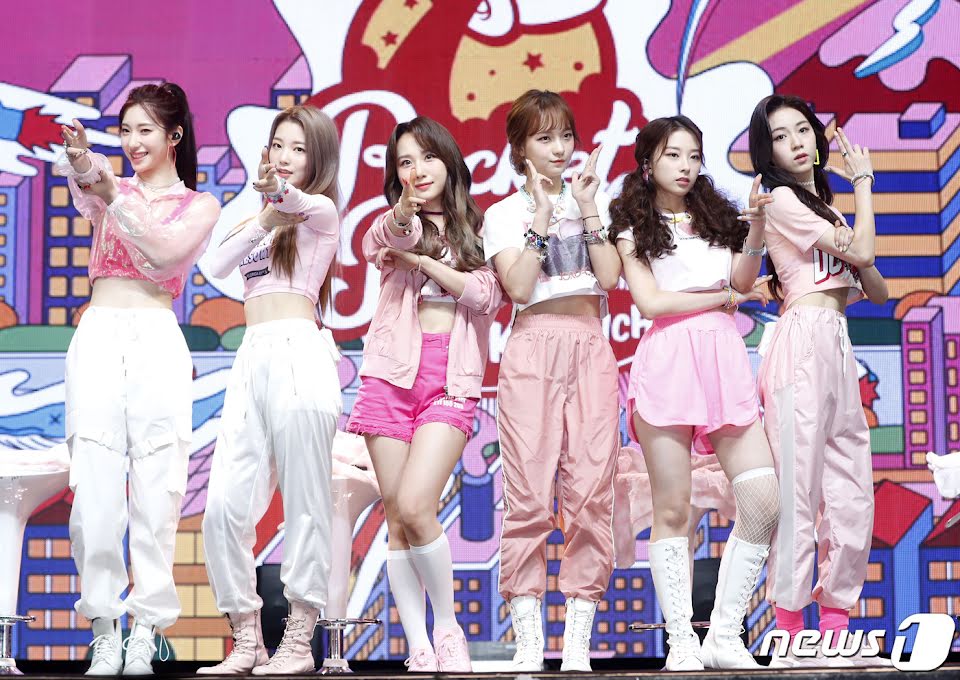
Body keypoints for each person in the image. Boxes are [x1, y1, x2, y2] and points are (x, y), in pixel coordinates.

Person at [56, 83, 220, 676]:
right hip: (100, 332)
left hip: (155, 336)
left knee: (158, 488)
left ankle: (145, 630)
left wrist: (112, 195)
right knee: (95, 490)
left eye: (145, 130)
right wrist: (82, 158)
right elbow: (89, 178)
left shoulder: (200, 205)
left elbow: (165, 252)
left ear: (174, 136)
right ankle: (104, 628)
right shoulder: (110, 187)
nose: (132, 142)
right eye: (126, 130)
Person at [610, 115, 780, 670]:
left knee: (763, 500)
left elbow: (742, 279)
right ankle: (682, 638)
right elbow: (652, 303)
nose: (685, 166)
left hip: (723, 360)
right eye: (672, 155)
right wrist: (723, 299)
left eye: (693, 156)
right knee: (673, 510)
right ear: (647, 163)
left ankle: (724, 634)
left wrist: (755, 228)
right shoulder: (632, 225)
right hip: (668, 363)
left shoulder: (717, 216)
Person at [345, 117, 503, 672]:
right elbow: (385, 240)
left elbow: (485, 294)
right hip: (390, 376)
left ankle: (449, 629)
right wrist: (403, 219)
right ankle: (418, 644)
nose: (417, 170)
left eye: (427, 157)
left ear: (449, 162)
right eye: (405, 162)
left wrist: (424, 264)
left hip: (451, 378)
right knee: (396, 517)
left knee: (416, 506)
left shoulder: (481, 227)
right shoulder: (396, 223)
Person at [199, 105, 343, 675]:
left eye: (298, 148)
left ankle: (299, 640)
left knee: (306, 503)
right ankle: (246, 638)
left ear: (318, 159)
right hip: (252, 357)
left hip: (298, 354)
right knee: (222, 508)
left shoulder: (322, 212)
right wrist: (265, 211)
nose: (284, 156)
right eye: (278, 145)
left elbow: (297, 201)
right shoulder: (262, 218)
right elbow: (215, 264)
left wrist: (278, 198)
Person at [483, 90, 622, 672]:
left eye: (566, 135)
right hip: (532, 348)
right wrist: (541, 217)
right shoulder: (502, 214)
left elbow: (609, 278)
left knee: (591, 494)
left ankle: (578, 641)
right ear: (520, 149)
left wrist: (587, 208)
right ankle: (530, 640)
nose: (560, 148)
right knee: (529, 497)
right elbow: (517, 287)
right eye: (544, 138)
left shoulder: (594, 199)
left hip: (590, 345)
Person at [748, 94, 888, 668]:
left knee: (851, 489)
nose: (796, 142)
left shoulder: (824, 209)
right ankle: (787, 627)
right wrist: (865, 184)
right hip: (801, 340)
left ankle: (834, 624)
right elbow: (863, 250)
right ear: (768, 151)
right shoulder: (780, 199)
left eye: (802, 129)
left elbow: (876, 288)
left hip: (836, 342)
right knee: (797, 491)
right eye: (781, 136)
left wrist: (852, 226)